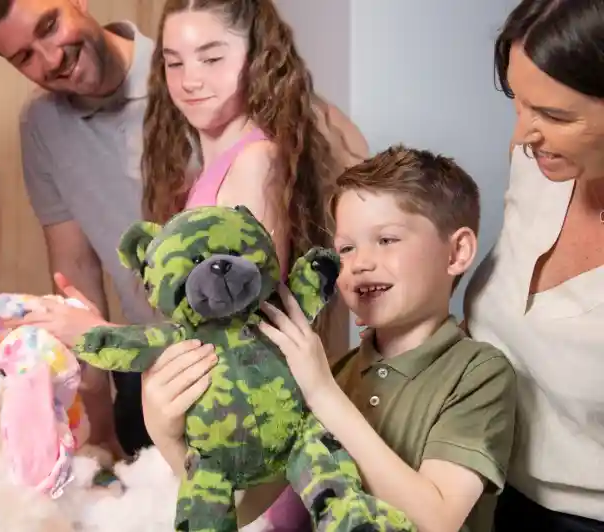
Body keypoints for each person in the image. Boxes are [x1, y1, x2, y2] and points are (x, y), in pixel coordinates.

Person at [0, 0, 368, 460]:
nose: (50, 58)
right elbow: (73, 264)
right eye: (24, 57)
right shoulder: (47, 125)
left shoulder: (230, 120)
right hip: (156, 371)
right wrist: (99, 417)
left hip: (225, 387)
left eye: (49, 26)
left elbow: (245, 326)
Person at [147, 145, 518, 530]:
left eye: (387, 240)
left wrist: (323, 392)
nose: (360, 263)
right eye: (345, 248)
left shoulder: (479, 372)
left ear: (457, 252)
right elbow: (241, 510)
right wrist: (168, 437)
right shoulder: (336, 372)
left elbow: (438, 520)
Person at [462, 0, 604, 530]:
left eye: (554, 115)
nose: (524, 133)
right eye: (518, 103)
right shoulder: (537, 165)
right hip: (486, 487)